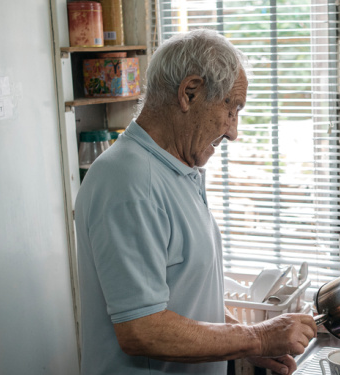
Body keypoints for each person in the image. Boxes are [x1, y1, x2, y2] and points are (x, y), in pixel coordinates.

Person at [74, 29, 317, 375]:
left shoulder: (175, 169)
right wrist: (257, 338)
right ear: (189, 92)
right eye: (231, 109)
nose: (234, 131)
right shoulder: (129, 182)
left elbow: (189, 300)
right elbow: (142, 331)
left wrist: (245, 342)